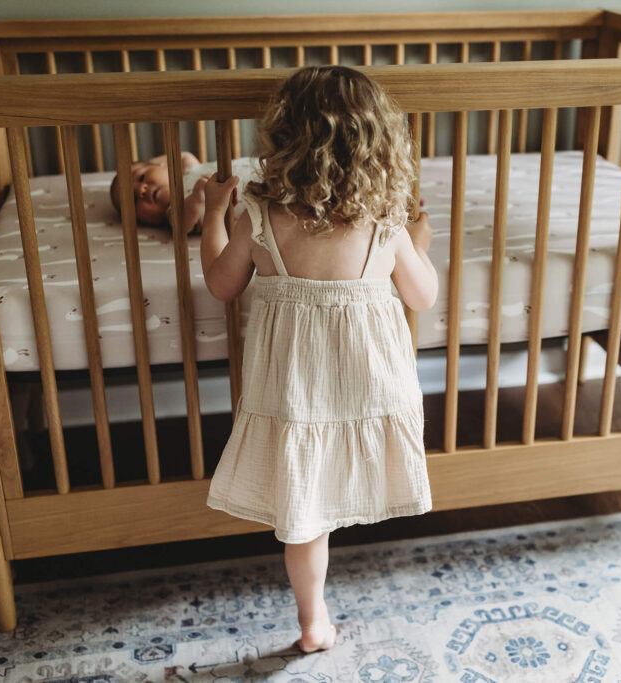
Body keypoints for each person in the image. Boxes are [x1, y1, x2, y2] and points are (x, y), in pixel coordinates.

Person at [200, 65, 438, 654]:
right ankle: (315, 622)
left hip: (296, 398)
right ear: (378, 144)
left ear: (283, 140)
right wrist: (416, 235)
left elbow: (221, 285)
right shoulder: (385, 223)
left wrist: (210, 215)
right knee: (325, 500)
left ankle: (312, 623)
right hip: (365, 390)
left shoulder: (258, 217)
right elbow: (422, 295)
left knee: (306, 518)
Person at [108, 152, 208, 234]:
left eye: (141, 177)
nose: (141, 190)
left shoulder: (189, 170)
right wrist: (197, 198)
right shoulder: (174, 210)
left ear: (165, 166)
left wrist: (150, 163)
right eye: (134, 199)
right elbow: (183, 225)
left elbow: (184, 156)